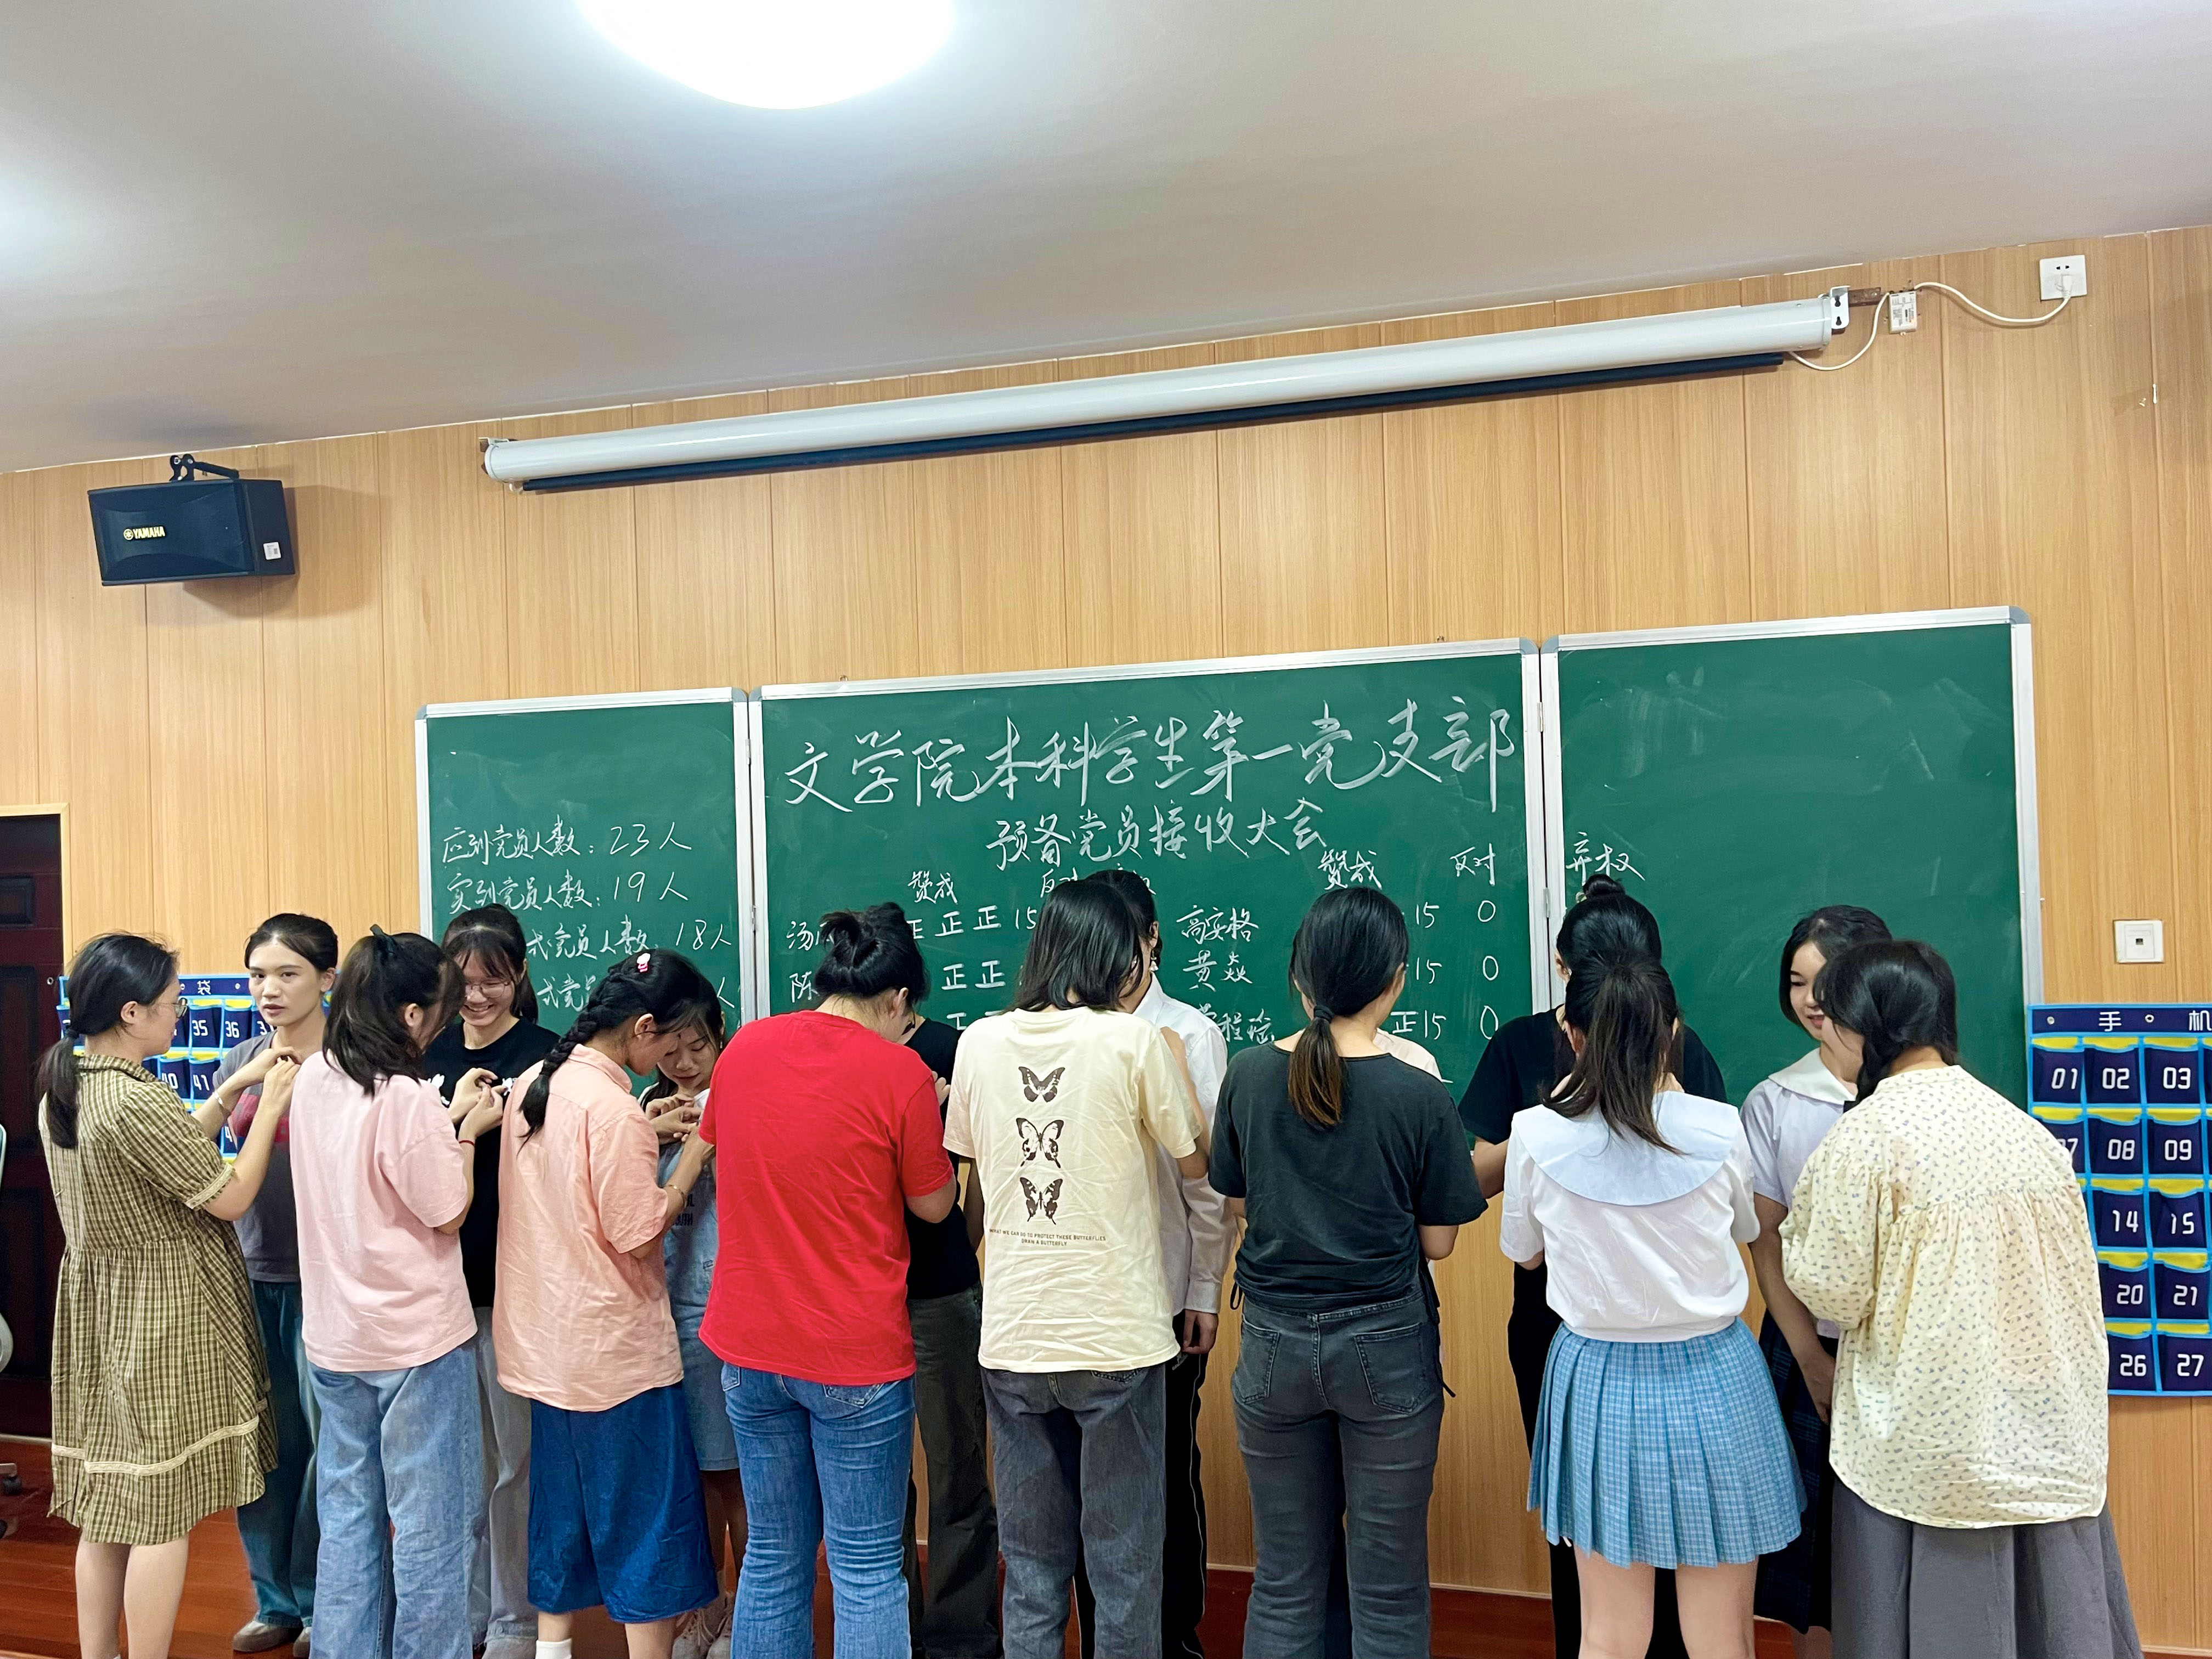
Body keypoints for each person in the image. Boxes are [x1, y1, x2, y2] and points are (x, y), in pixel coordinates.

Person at [1782, 941, 2141, 1659]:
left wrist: (1796, 1235)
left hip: (1929, 1443)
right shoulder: (2026, 1131)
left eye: (1834, 1022)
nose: (1827, 1040)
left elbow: (1833, 1290)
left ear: (1868, 1027)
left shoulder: (1866, 1138)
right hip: (2043, 1426)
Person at [1209, 886, 1486, 1659]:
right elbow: (1438, 1244)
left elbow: (1237, 1202)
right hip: (1386, 1347)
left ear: (1299, 978)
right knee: (1387, 1590)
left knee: (1285, 1581)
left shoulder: (1248, 1075)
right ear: (1396, 981)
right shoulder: (1418, 1092)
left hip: (1272, 1347)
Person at [1503, 952, 1801, 1659]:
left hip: (1597, 1379)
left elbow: (1526, 1253)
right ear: (1673, 1032)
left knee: (1610, 1636)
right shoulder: (1722, 1127)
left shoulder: (1535, 1133)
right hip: (1716, 1377)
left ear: (1573, 1035)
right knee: (1721, 1638)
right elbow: (1744, 1228)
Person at [1459, 874, 1725, 1659]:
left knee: (1679, 1521)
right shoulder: (1522, 1046)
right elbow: (1475, 1182)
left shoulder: (1684, 1050)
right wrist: (1555, 1125)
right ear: (1563, 972)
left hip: (1674, 1331)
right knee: (1581, 1523)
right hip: (1561, 1327)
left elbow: (1721, 1188)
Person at [944, 879, 1208, 1659]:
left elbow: (972, 1169)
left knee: (1031, 1568)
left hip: (1015, 1338)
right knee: (1124, 1570)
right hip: (1116, 1338)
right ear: (1118, 955)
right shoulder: (1135, 1042)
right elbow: (1199, 1167)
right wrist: (1176, 1079)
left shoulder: (979, 1042)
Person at [698, 911, 958, 1659]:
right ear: (898, 1000)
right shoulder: (901, 1074)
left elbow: (722, 1146)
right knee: (867, 1566)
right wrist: (933, 1115)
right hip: (853, 1352)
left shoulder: (744, 1048)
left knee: (773, 1555)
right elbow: (933, 1206)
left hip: (749, 1345)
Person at [40, 933, 290, 1659]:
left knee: (111, 1507)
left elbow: (169, 1155)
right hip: (162, 1312)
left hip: (102, 1311)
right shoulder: (134, 1099)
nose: (180, 1015)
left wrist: (229, 1092)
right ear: (131, 1012)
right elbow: (231, 1197)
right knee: (162, 1510)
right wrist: (270, 1103)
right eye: (173, 1004)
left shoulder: (71, 1085)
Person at [496, 949, 723, 1659]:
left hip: (545, 1346)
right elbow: (638, 1231)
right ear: (643, 1028)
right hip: (615, 1355)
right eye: (669, 1042)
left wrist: (645, 1132)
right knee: (646, 1522)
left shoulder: (535, 1083)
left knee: (560, 1511)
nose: (673, 1061)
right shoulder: (614, 1108)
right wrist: (691, 1159)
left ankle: (553, 1648)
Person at [289, 928, 506, 1659]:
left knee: (349, 1520)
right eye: (441, 1010)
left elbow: (370, 1175)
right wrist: (467, 1132)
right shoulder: (406, 1096)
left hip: (336, 1338)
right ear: (411, 1014)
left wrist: (444, 1122)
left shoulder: (316, 1077)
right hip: (415, 1343)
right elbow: (445, 1210)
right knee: (431, 1529)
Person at [833, 903, 1002, 1659]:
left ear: (901, 994)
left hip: (939, 1288)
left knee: (958, 1467)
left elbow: (983, 1165)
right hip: (861, 1293)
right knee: (877, 1479)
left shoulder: (955, 1051)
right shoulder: (835, 1055)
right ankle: (888, 1627)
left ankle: (962, 1634)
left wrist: (965, 1244)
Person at [1075, 868, 1230, 1659]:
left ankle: (1176, 1636)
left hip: (1164, 1293)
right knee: (1087, 1489)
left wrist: (1204, 1287)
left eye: (1126, 944)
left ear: (1151, 940)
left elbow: (1209, 1183)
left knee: (1165, 1473)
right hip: (1079, 1300)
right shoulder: (1063, 1035)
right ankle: (1106, 1638)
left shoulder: (1189, 1035)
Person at [1739, 906, 1891, 1658]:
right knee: (1818, 1554)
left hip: (1905, 1350)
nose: (1812, 1001)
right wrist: (1809, 1357)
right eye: (1797, 982)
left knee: (1898, 1543)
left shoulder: (1920, 1092)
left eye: (1827, 982)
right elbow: (1765, 1244)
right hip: (1809, 1345)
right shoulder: (1775, 1101)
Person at [422, 904, 558, 1659]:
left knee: (515, 1464)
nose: (476, 997)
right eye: (463, 982)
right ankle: (468, 1610)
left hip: (513, 1290)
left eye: (493, 981)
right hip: (437, 1290)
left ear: (520, 975)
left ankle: (515, 1616)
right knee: (456, 1466)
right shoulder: (427, 1054)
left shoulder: (546, 1056)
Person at [207, 913, 339, 1659]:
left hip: (329, 1281)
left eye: (287, 974)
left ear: (327, 979)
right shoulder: (241, 1060)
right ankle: (275, 1601)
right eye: (258, 975)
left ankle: (324, 1595)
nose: (269, 989)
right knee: (267, 1442)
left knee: (327, 1445)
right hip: (252, 1274)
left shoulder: (351, 1059)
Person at [639, 1000, 745, 1659]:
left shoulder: (744, 1098)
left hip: (723, 1309)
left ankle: (747, 1616)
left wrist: (705, 1146)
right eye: (669, 1049)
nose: (681, 1062)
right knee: (688, 1478)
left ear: (720, 1037)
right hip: (660, 1314)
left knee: (734, 1475)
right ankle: (707, 1607)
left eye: (696, 1047)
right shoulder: (643, 1109)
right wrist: (650, 1137)